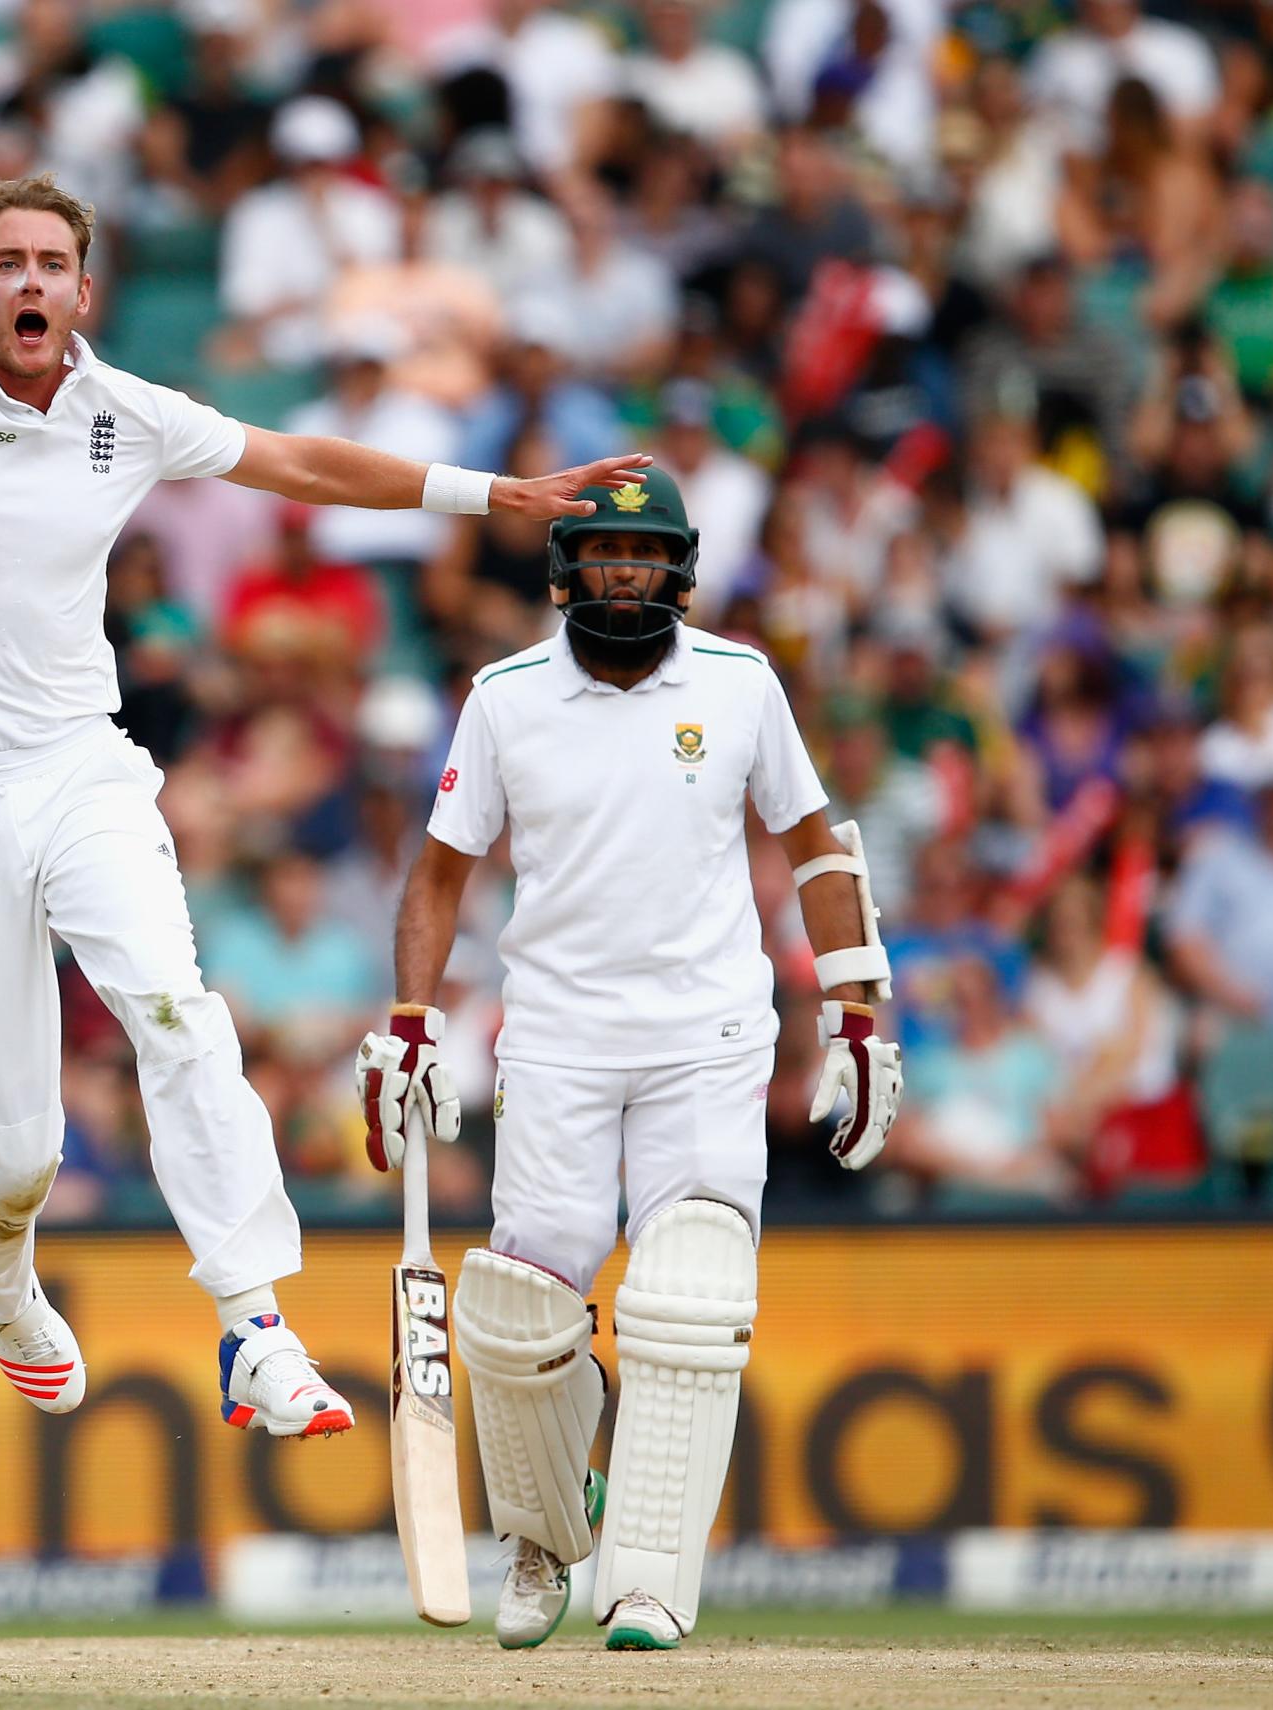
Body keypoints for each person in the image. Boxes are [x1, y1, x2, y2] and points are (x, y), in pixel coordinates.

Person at [0, 69, 647, 1437]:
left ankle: (256, 1325)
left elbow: (299, 463)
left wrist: (491, 493)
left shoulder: (128, 412)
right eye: (7, 263)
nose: (31, 281)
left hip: (82, 770)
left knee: (179, 1013)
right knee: (14, 1155)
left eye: (54, 260)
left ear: (85, 287)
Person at [360, 467, 902, 1651]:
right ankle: (546, 1543)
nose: (626, 576)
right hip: (554, 1032)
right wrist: (409, 1022)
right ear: (565, 572)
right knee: (516, 1314)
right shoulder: (504, 698)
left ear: (678, 569)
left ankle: (649, 1578)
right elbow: (441, 871)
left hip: (705, 1033)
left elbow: (817, 851)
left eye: (646, 556)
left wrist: (857, 1012)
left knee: (690, 1289)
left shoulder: (741, 683)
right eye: (606, 557)